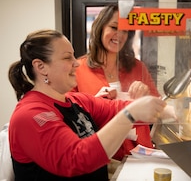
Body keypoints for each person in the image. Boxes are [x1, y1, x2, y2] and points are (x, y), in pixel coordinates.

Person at [7, 29, 174, 181]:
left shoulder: (76, 101)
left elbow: (118, 108)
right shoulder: (30, 114)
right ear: (41, 66)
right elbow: (77, 159)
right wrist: (130, 113)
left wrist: (179, 113)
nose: (77, 63)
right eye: (67, 57)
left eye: (73, 56)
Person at [72, 4, 161, 161]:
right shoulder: (78, 69)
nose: (119, 34)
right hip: (99, 156)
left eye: (125, 30)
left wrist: (146, 96)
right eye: (114, 27)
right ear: (100, 28)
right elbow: (70, 116)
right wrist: (95, 103)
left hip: (138, 154)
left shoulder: (137, 67)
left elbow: (158, 112)